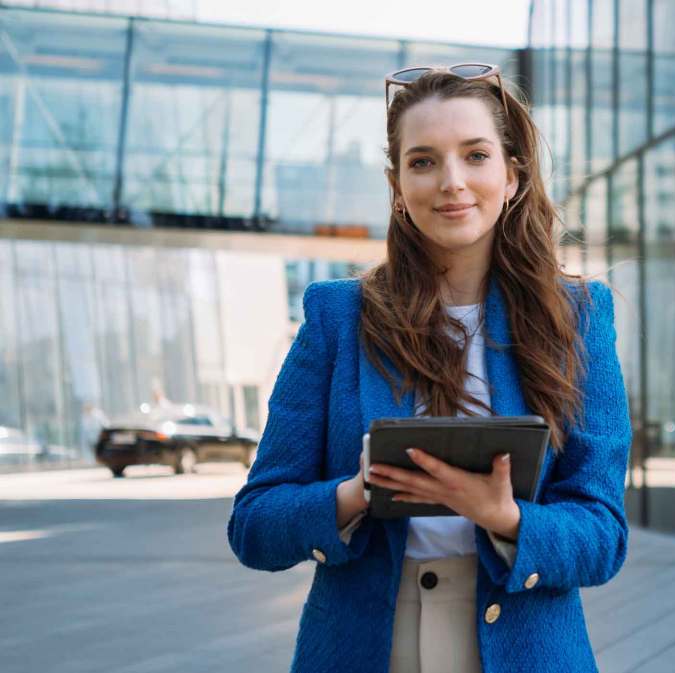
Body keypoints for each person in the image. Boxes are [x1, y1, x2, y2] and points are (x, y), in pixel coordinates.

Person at [226, 64, 632, 673]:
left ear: (512, 175)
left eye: (475, 156)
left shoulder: (578, 316)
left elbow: (603, 534)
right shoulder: (337, 317)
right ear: (397, 185)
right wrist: (358, 493)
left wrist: (503, 516)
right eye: (423, 161)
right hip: (367, 648)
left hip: (524, 650)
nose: (451, 182)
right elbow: (255, 525)